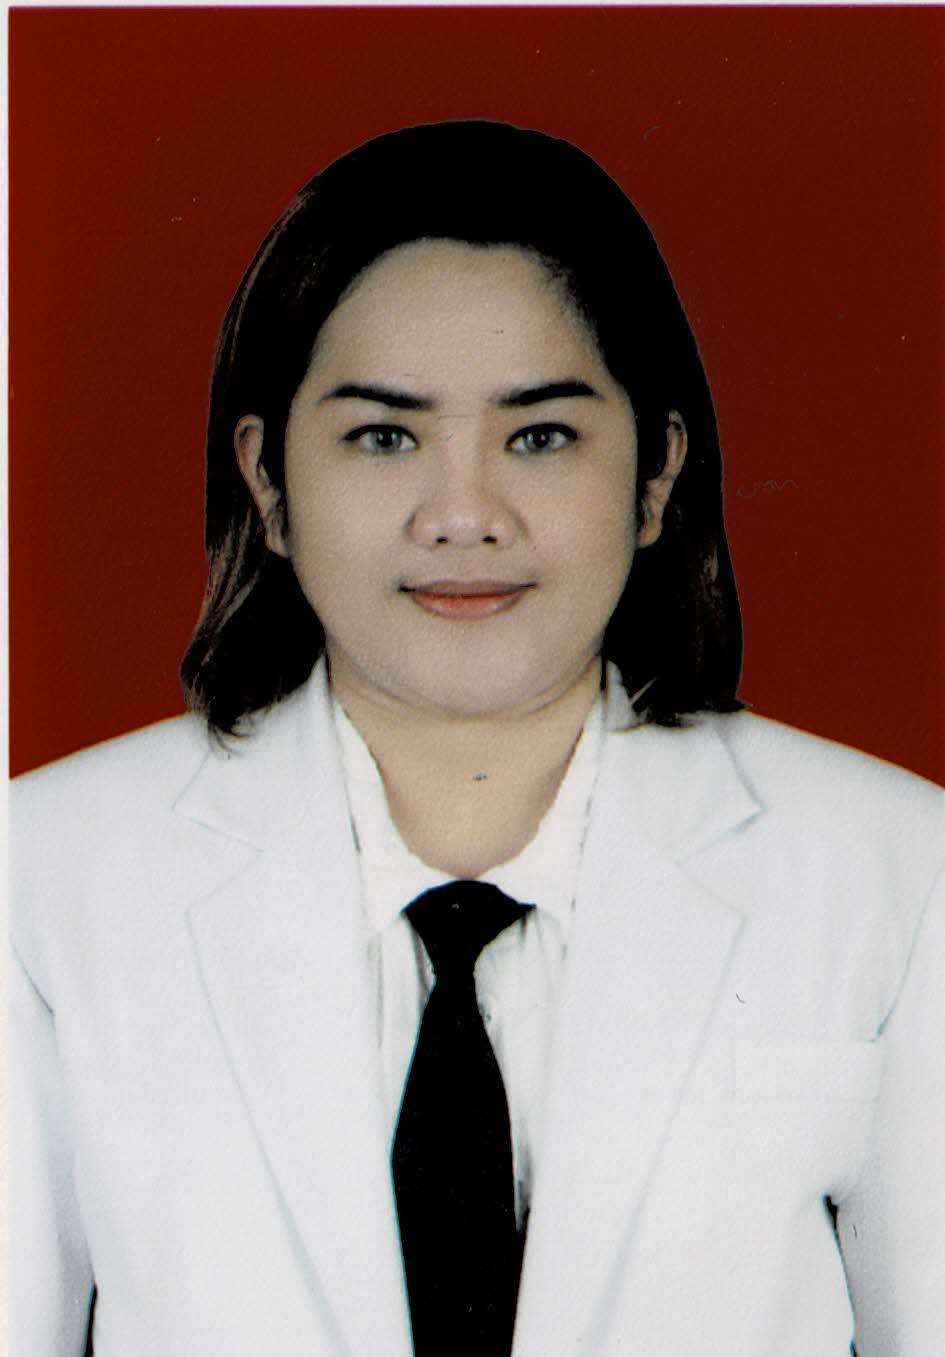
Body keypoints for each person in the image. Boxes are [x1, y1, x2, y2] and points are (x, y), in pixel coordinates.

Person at [10, 120, 942, 1357]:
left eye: (540, 436)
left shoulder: (900, 871)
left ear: (655, 474)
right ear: (269, 482)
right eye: (384, 436)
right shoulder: (40, 878)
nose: (463, 516)